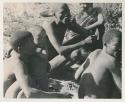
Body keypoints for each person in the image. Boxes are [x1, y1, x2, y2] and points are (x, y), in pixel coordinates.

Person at [4, 31, 71, 98]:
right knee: (25, 85)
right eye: (31, 42)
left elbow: (47, 66)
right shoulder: (18, 63)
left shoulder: (20, 53)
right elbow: (30, 93)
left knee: (36, 63)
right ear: (20, 49)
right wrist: (59, 96)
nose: (35, 44)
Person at [42, 3, 97, 71]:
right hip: (46, 65)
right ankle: (59, 71)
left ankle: (63, 68)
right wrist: (83, 42)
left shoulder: (64, 22)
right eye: (62, 12)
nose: (65, 15)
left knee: (80, 38)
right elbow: (60, 50)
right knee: (75, 54)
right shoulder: (48, 25)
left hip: (56, 56)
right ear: (54, 14)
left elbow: (86, 34)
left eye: (67, 12)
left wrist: (75, 25)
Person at [75, 29, 121, 98]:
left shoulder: (94, 52)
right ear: (105, 44)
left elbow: (76, 75)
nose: (121, 48)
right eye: (117, 45)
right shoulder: (112, 61)